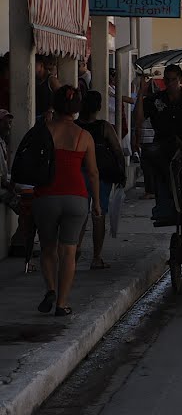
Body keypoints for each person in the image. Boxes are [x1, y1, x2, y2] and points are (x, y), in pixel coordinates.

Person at [33, 85, 101, 317]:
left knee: (48, 249)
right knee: (69, 252)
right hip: (76, 198)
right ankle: (62, 304)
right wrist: (98, 204)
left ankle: (50, 289)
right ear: (76, 108)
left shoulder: (44, 130)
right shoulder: (85, 136)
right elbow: (92, 173)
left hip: (46, 196)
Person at [133, 64, 182, 223]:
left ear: (181, 80)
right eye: (167, 79)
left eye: (174, 79)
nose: (170, 83)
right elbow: (138, 119)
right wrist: (141, 92)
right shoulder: (155, 100)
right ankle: (164, 203)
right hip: (164, 146)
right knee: (151, 155)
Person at [76, 90, 125, 270]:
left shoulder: (75, 127)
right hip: (102, 176)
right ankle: (96, 258)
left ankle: (76, 249)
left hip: (79, 174)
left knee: (80, 215)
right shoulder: (104, 127)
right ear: (99, 107)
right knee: (98, 214)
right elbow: (118, 152)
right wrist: (122, 174)